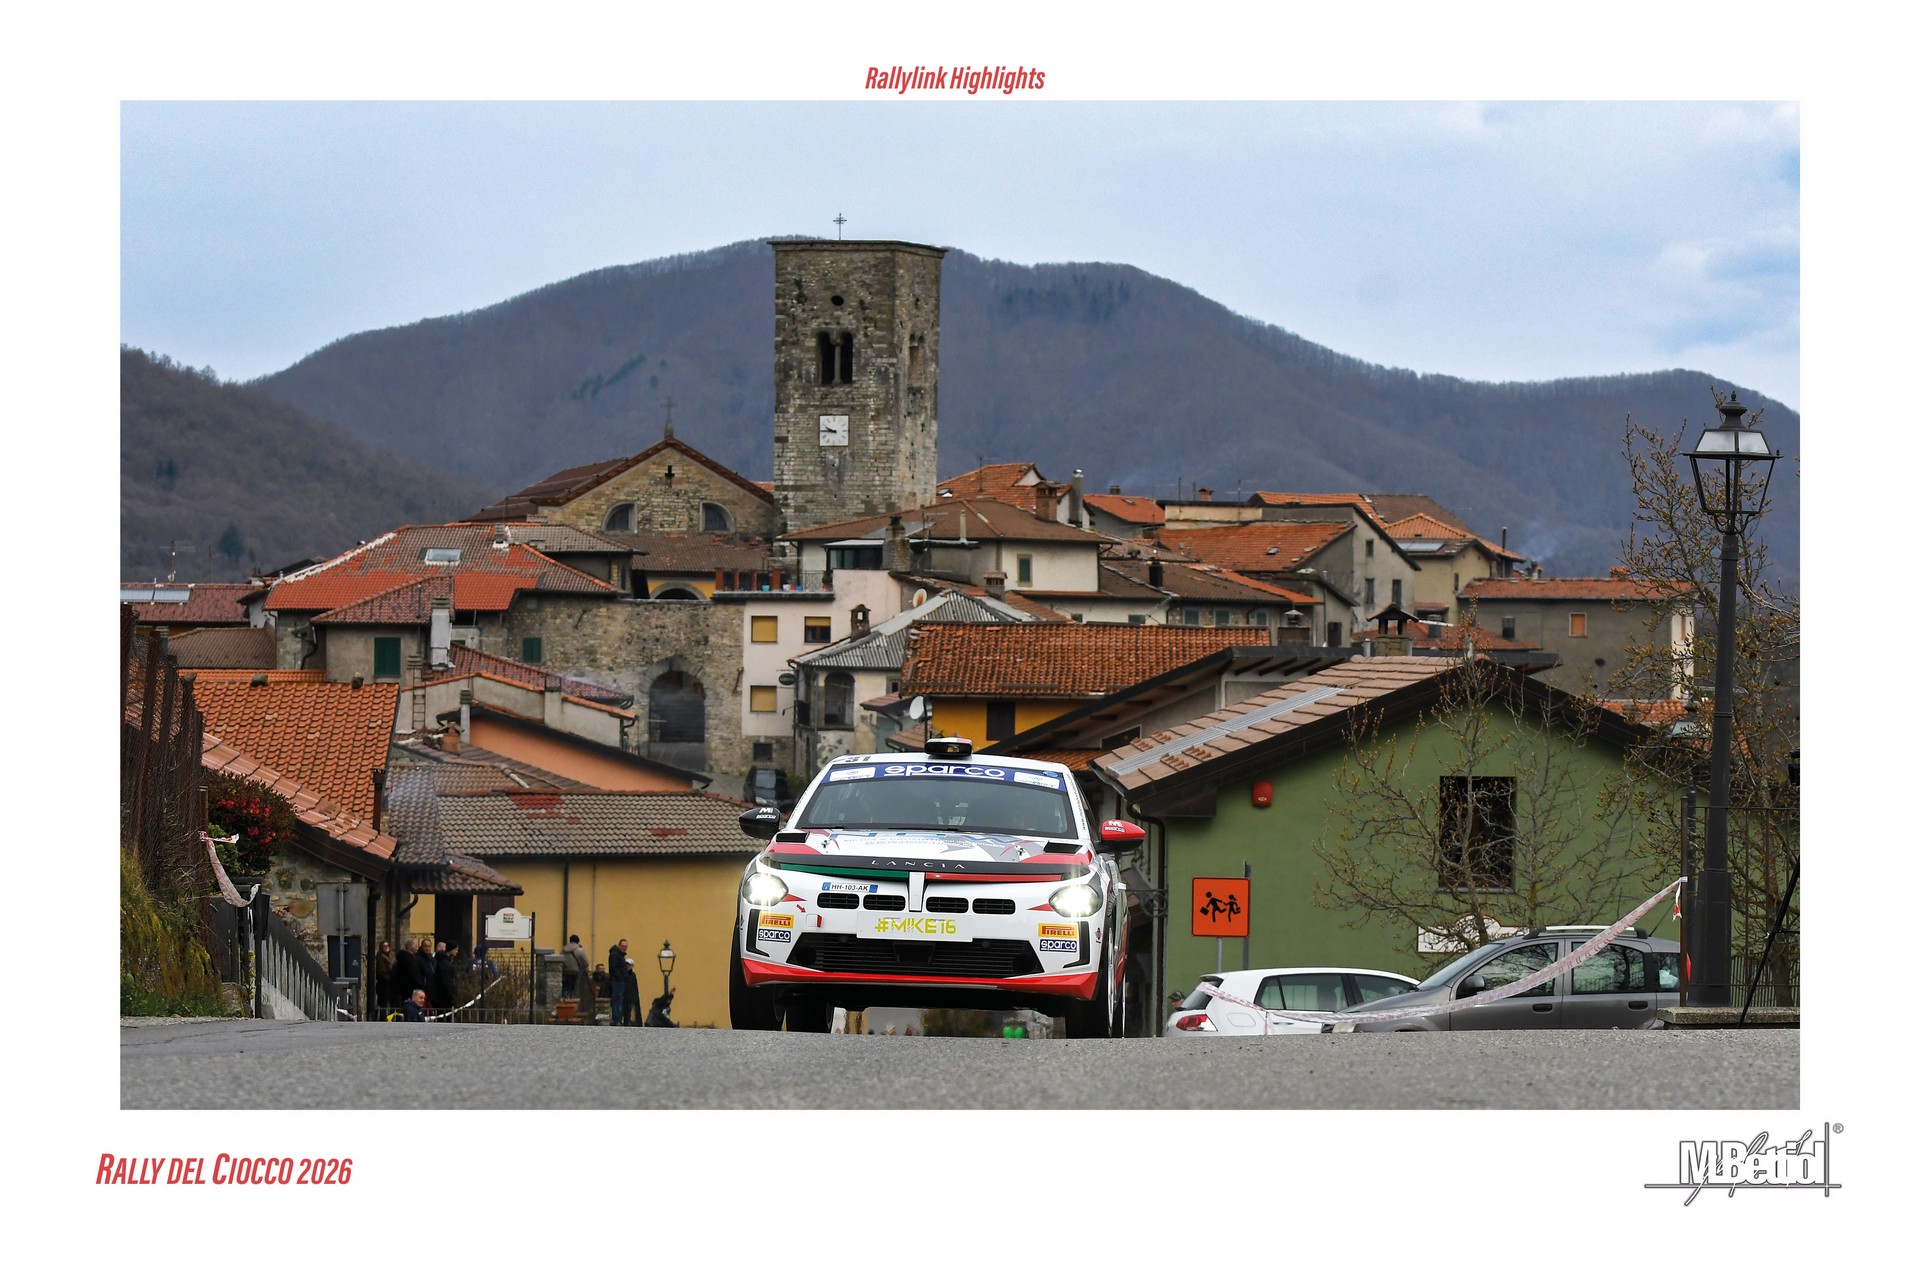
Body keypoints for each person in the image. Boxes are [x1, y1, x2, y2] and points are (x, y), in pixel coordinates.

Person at [607, 939, 633, 1027]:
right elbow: (614, 968)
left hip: (619, 980)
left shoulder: (618, 955)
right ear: (619, 946)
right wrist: (621, 976)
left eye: (626, 946)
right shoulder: (615, 955)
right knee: (617, 1000)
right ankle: (616, 1020)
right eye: (623, 946)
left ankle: (618, 1020)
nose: (625, 948)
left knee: (618, 1000)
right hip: (617, 981)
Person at [390, 937, 416, 1015]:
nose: (417, 948)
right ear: (411, 947)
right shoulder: (408, 960)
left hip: (399, 990)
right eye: (415, 946)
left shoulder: (399, 960)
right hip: (405, 991)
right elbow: (412, 975)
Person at [434, 943, 459, 1014]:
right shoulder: (446, 964)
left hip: (442, 997)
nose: (457, 952)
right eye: (455, 950)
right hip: (444, 998)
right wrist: (451, 996)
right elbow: (447, 982)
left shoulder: (444, 962)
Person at [373, 940, 395, 1012]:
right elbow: (381, 972)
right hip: (383, 984)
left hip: (387, 984)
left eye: (387, 946)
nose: (386, 948)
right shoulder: (381, 958)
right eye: (384, 946)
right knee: (383, 1003)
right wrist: (390, 978)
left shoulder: (387, 957)